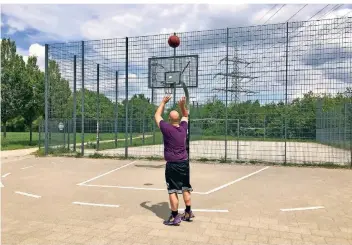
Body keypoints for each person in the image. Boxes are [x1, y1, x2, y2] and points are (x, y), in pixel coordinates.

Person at [154, 95, 195, 226]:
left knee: (172, 190)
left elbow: (157, 115)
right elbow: (185, 116)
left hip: (173, 165)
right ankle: (188, 212)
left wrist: (163, 102)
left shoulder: (166, 128)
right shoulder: (183, 128)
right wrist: (182, 106)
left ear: (169, 119)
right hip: (184, 163)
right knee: (185, 188)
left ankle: (175, 216)